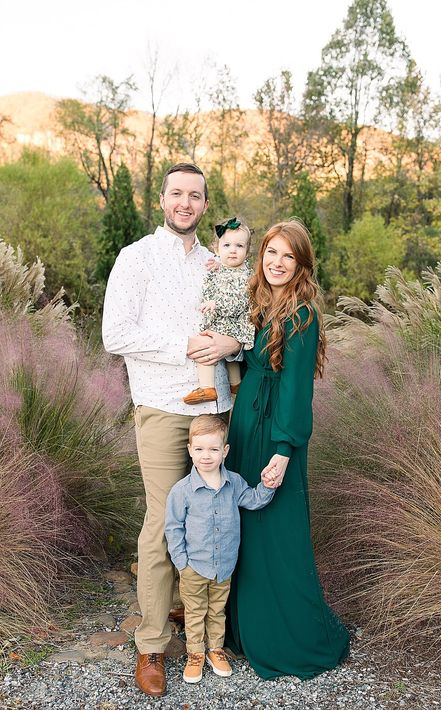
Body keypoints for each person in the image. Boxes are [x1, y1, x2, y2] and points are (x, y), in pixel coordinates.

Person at [102, 163, 242, 698]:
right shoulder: (135, 258)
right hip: (161, 405)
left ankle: (204, 619)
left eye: (196, 196)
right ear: (162, 199)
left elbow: (236, 324)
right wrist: (185, 343)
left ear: (206, 205)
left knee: (216, 510)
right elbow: (116, 333)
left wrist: (229, 344)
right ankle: (152, 644)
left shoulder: (218, 261)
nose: (186, 202)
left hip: (216, 409)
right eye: (177, 193)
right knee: (163, 520)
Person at [225, 219, 350, 679]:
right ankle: (242, 628)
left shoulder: (302, 314)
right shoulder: (256, 301)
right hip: (244, 425)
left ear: (301, 265)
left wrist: (283, 449)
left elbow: (297, 389)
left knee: (275, 532)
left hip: (276, 432)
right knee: (244, 529)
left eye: (288, 257)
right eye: (271, 253)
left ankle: (287, 636)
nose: (276, 263)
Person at [164, 414, 275, 684]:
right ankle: (195, 653)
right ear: (190, 450)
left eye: (213, 449)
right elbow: (173, 527)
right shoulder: (182, 491)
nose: (206, 456)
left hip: (224, 565)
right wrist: (182, 562)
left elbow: (252, 500)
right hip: (194, 567)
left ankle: (215, 649)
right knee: (194, 611)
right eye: (199, 449)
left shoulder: (234, 482)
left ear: (224, 451)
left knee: (217, 610)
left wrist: (268, 486)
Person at [183, 217, 255, 405]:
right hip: (228, 324)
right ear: (216, 249)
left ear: (247, 253)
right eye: (227, 245)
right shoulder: (226, 267)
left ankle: (207, 387)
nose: (233, 250)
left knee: (206, 346)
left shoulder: (244, 276)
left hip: (231, 322)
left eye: (239, 246)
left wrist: (217, 304)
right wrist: (218, 264)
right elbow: (222, 270)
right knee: (228, 356)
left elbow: (238, 301)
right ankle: (235, 384)